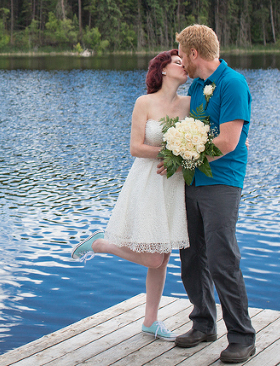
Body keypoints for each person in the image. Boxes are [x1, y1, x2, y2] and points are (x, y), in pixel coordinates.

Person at [71, 49, 191, 341]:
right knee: (154, 259)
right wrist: (170, 152)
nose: (184, 66)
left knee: (163, 257)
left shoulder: (189, 103)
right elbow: (136, 147)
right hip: (149, 181)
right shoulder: (144, 102)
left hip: (174, 184)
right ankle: (100, 244)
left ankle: (150, 321)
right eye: (178, 62)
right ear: (163, 69)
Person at [161, 24, 256, 363]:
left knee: (221, 259)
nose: (181, 61)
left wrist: (183, 156)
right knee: (191, 256)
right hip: (192, 181)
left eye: (181, 54)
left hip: (222, 181)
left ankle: (242, 337)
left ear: (194, 53)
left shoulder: (233, 84)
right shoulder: (198, 86)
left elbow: (228, 141)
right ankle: (203, 324)